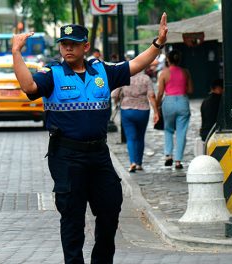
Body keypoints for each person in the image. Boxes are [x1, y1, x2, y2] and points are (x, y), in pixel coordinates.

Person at [11, 14, 168, 264]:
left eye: (73, 43)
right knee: (72, 217)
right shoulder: (52, 73)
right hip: (66, 155)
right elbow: (29, 87)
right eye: (64, 44)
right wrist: (16, 53)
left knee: (110, 209)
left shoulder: (102, 71)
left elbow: (136, 64)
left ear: (85, 46)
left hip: (99, 155)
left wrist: (158, 43)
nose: (68, 48)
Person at [111, 68, 159, 173]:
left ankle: (132, 162)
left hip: (127, 110)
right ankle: (139, 163)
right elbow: (151, 95)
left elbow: (114, 94)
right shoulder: (146, 78)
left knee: (130, 138)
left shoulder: (124, 78)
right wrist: (156, 112)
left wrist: (118, 100)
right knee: (140, 137)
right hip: (143, 110)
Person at [156, 50, 193, 169]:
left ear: (168, 59)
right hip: (182, 101)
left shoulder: (164, 73)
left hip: (169, 102)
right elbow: (190, 90)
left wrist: (157, 105)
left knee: (168, 129)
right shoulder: (185, 72)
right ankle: (178, 160)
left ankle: (168, 155)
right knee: (181, 131)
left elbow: (160, 92)